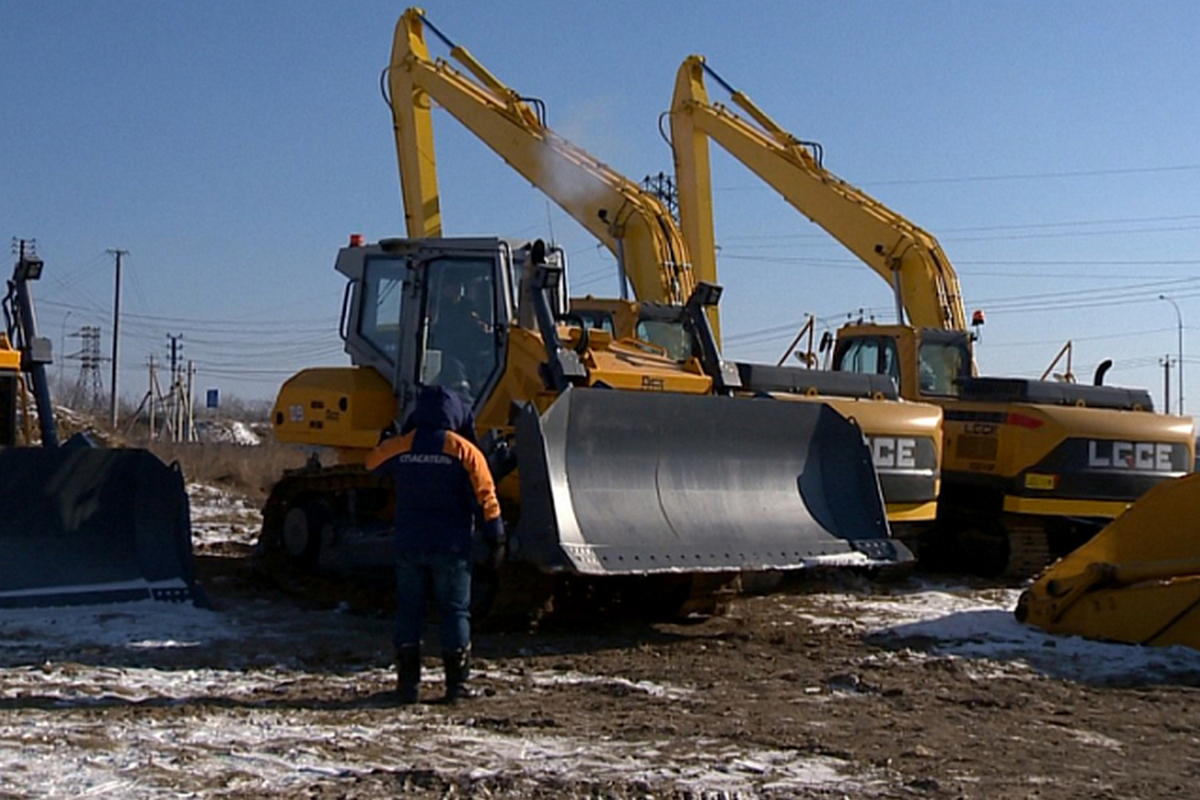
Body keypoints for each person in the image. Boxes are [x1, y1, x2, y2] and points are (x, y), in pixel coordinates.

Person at [365, 385, 505, 705]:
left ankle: (407, 688)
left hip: (409, 544)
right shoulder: (464, 451)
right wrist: (495, 536)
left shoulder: (403, 446)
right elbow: (486, 497)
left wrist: (386, 440)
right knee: (455, 612)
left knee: (409, 612)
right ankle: (456, 688)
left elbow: (372, 465)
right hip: (452, 548)